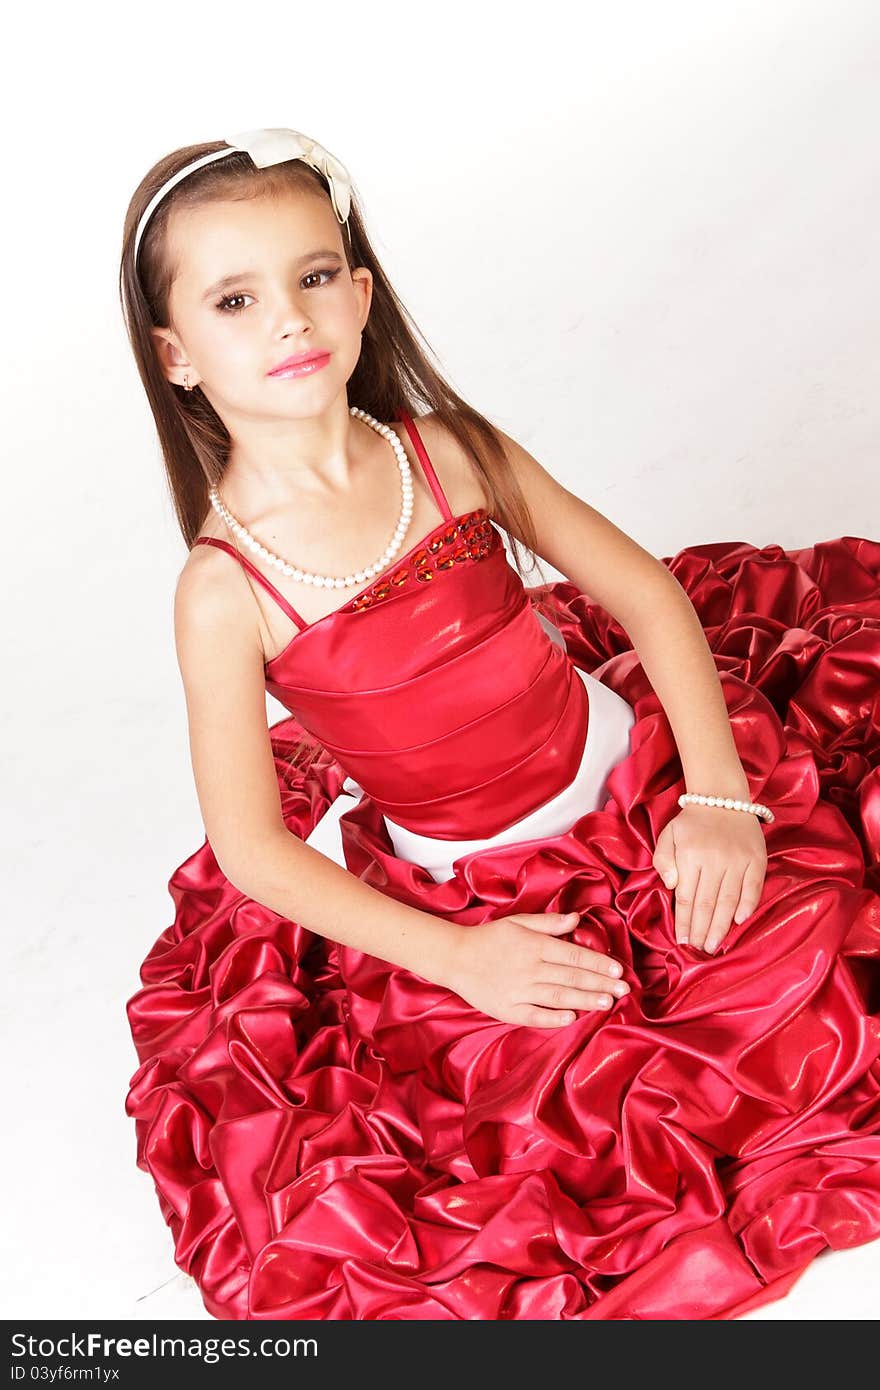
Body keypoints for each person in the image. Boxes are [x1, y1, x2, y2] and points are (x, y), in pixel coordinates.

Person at [121, 128, 880, 1321]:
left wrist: (718, 797)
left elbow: (644, 594)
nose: (288, 319)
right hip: (469, 887)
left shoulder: (450, 456)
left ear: (361, 291)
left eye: (316, 275)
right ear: (175, 354)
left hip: (629, 772)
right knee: (565, 1127)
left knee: (813, 939)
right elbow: (256, 850)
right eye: (234, 298)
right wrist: (458, 957)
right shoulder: (223, 592)